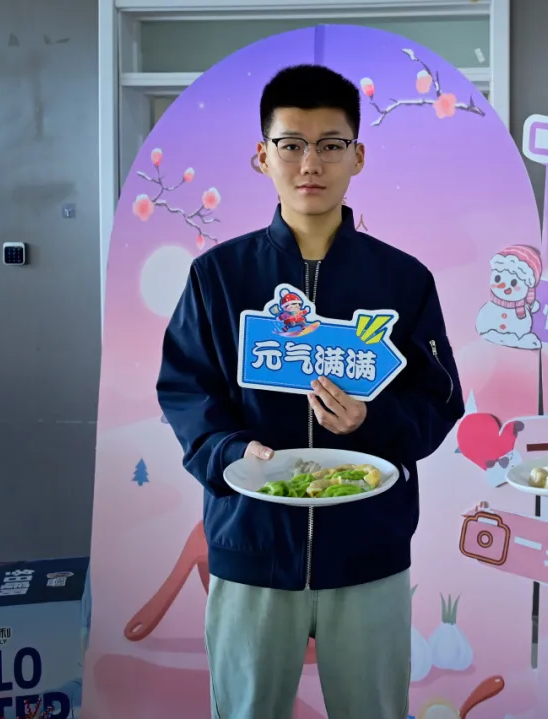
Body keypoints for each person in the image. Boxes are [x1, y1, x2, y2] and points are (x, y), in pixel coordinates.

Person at [157, 64, 464, 719]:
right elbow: (185, 390)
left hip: (369, 549)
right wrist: (232, 452)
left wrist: (370, 422)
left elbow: (439, 401)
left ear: (358, 156)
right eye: (291, 143)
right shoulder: (218, 276)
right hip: (251, 545)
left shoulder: (402, 279)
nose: (310, 163)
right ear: (262, 155)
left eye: (330, 144)